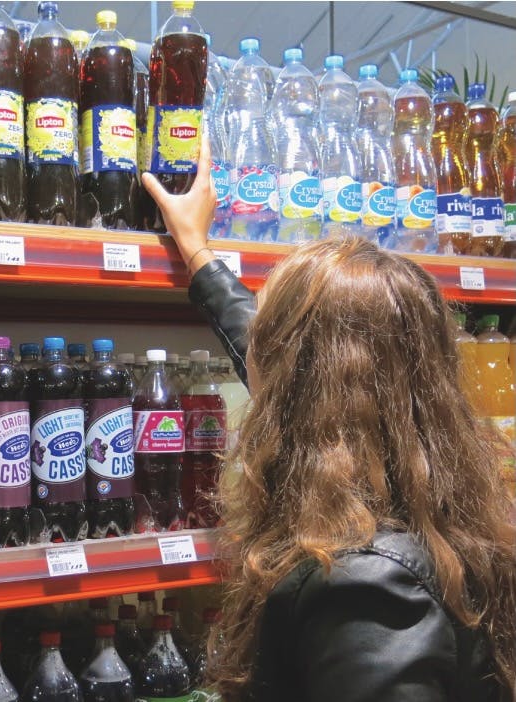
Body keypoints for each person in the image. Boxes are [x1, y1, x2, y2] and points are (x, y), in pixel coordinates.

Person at [141, 140, 516, 701]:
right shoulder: (434, 501)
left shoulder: (370, 585)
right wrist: (197, 250)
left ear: (299, 381)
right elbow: (268, 348)